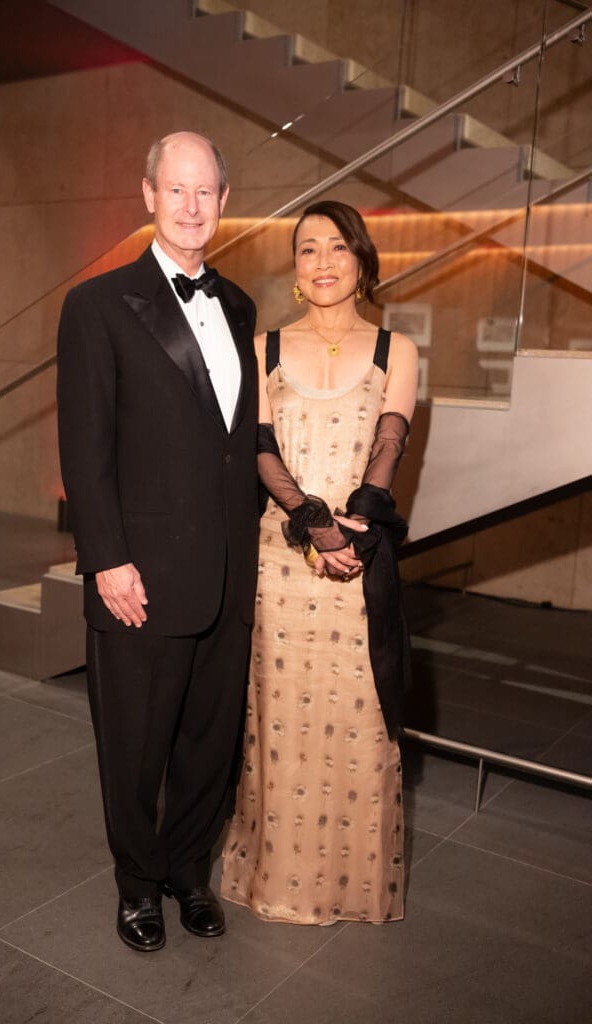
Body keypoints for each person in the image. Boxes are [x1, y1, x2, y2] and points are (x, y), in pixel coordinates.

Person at [57, 132, 259, 952]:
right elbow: (85, 449)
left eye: (205, 190)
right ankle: (137, 883)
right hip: (138, 573)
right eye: (176, 189)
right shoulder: (98, 305)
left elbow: (237, 443)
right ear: (148, 195)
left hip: (228, 570)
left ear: (224, 200)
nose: (191, 205)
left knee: (211, 743)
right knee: (136, 747)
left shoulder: (240, 306)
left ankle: (186, 872)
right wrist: (107, 558)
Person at [220, 200, 418, 925]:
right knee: (278, 723)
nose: (324, 261)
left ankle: (350, 885)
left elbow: (388, 447)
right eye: (308, 249)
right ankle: (277, 880)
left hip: (360, 561)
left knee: (361, 721)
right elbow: (260, 449)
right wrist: (314, 528)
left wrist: (351, 533)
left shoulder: (397, 349)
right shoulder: (263, 347)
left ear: (361, 261)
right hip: (283, 562)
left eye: (338, 247)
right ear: (296, 269)